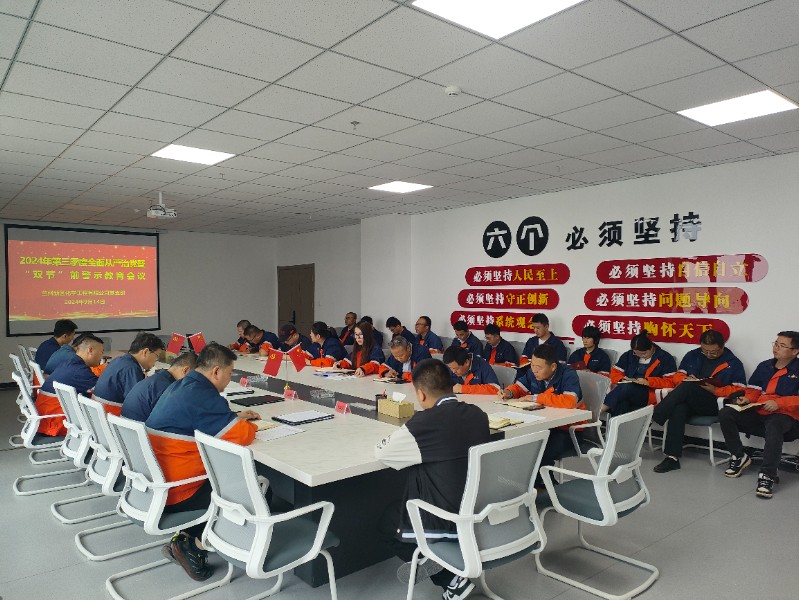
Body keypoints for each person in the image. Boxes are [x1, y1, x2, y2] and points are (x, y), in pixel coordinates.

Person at [375, 359, 490, 600]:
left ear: (420, 394)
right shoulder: (478, 415)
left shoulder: (424, 423)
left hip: (445, 518)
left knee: (388, 522)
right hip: (479, 509)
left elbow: (383, 453)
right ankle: (440, 562)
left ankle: (450, 579)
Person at [146, 343, 259, 582]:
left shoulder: (182, 385)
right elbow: (242, 435)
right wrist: (250, 425)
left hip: (158, 482)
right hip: (181, 490)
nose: (229, 380)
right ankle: (194, 545)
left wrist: (229, 417)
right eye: (229, 374)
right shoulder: (203, 394)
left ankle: (183, 537)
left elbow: (201, 419)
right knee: (254, 489)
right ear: (216, 371)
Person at [651, 329, 746, 473]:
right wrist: (685, 379)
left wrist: (716, 390)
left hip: (714, 404)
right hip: (691, 399)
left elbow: (740, 389)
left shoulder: (733, 363)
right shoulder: (693, 355)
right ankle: (672, 458)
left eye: (713, 352)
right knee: (678, 408)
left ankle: (655, 415)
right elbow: (677, 376)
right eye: (705, 350)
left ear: (722, 347)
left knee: (688, 387)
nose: (708, 354)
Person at [719, 332, 799, 499]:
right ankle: (739, 456)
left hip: (786, 416)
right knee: (727, 412)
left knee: (775, 424)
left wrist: (779, 403)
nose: (776, 348)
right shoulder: (764, 366)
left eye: (782, 346)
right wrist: (747, 399)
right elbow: (754, 389)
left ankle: (767, 475)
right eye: (775, 343)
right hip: (760, 410)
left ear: (795, 351)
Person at [498, 344, 582, 472]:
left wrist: (535, 398)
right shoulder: (533, 373)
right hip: (543, 425)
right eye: (532, 365)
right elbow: (519, 387)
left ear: (553, 366)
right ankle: (532, 482)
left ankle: (543, 482)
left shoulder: (568, 374)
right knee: (519, 446)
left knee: (538, 450)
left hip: (568, 430)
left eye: (539, 367)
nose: (534, 370)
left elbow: (569, 401)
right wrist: (508, 392)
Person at [36, 333, 105, 437]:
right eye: (101, 352)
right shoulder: (79, 371)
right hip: (56, 422)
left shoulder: (69, 363)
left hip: (46, 416)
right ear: (90, 350)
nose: (101, 357)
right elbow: (103, 393)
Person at [602, 333, 677, 417]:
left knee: (627, 388)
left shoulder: (665, 358)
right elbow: (615, 372)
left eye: (644, 353)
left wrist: (648, 382)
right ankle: (615, 425)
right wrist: (621, 379)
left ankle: (601, 409)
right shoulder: (629, 355)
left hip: (649, 394)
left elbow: (671, 382)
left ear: (652, 347)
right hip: (626, 391)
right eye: (636, 353)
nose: (640, 356)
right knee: (622, 401)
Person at [94, 332, 165, 415]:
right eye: (157, 356)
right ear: (145, 352)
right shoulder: (132, 369)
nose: (156, 360)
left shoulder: (119, 360)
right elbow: (138, 403)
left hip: (101, 413)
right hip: (113, 415)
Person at [121, 352, 198, 422]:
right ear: (185, 370)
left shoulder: (156, 379)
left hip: (127, 428)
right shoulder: (168, 389)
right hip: (144, 430)